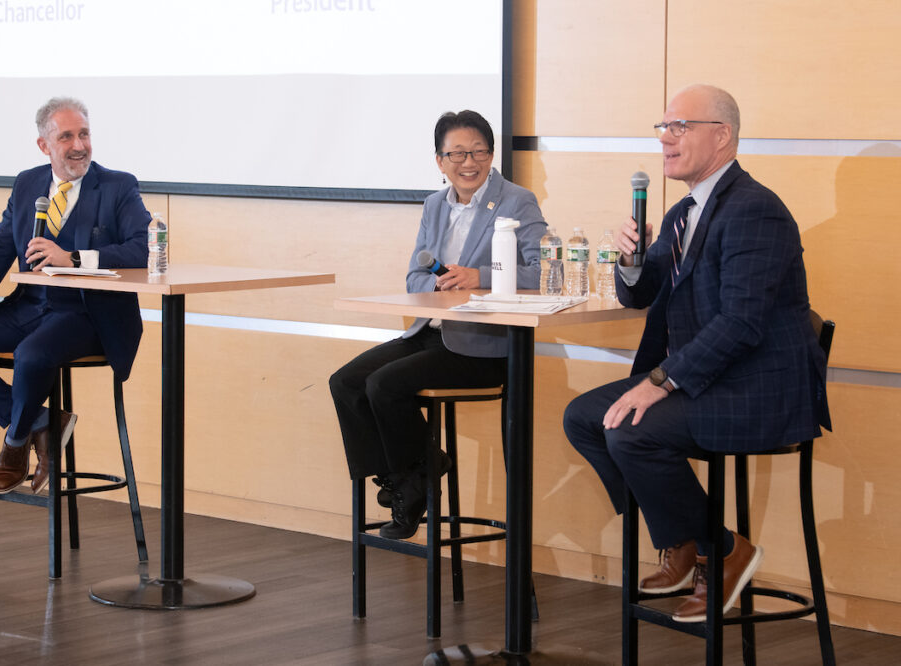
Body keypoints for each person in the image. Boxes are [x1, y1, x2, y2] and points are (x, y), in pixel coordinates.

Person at [562, 84, 830, 622]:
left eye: (680, 127)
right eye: (663, 127)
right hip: (709, 379)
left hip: (757, 388)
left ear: (722, 135)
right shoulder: (685, 212)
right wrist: (630, 259)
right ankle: (684, 539)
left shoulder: (755, 210)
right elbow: (640, 297)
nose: (666, 138)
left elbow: (742, 323)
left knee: (631, 428)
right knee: (586, 418)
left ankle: (723, 549)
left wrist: (658, 380)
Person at [330, 110, 547, 539]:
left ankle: (415, 482)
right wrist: (438, 281)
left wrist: (478, 277)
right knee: (347, 381)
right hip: (429, 332)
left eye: (478, 152)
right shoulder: (434, 205)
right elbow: (414, 278)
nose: (469, 163)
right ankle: (412, 473)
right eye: (457, 154)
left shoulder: (516, 201)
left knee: (384, 385)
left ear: (491, 154)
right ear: (439, 160)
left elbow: (543, 273)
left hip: (484, 346)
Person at [0, 97, 150, 496]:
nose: (79, 145)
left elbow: (143, 247)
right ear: (44, 145)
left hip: (86, 314)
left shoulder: (117, 186)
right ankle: (41, 422)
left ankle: (13, 443)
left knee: (32, 354)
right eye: (66, 137)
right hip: (29, 305)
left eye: (84, 134)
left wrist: (74, 257)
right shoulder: (28, 184)